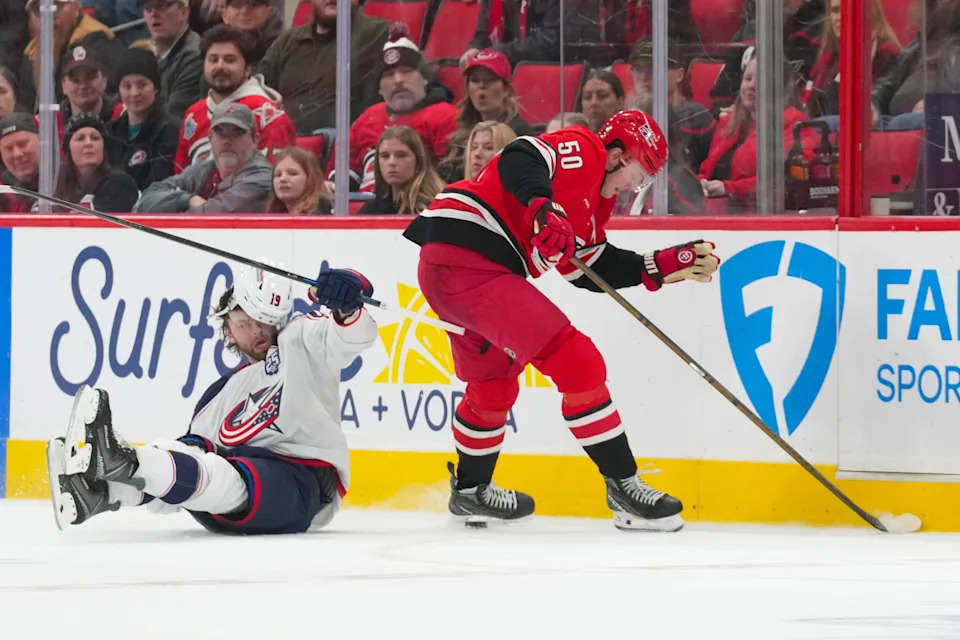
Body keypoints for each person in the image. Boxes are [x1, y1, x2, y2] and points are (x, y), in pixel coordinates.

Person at [402, 110, 720, 530]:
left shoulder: (595, 206)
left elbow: (589, 268)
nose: (633, 188)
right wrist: (542, 206)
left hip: (452, 265)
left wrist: (656, 265)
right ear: (618, 154)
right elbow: (520, 156)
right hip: (471, 258)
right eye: (638, 174)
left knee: (493, 383)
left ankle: (470, 492)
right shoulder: (586, 150)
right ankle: (625, 487)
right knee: (577, 361)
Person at [46, 261, 379, 535]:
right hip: (227, 504)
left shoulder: (302, 341)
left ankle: (125, 461)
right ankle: (102, 492)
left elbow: (351, 337)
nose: (256, 332)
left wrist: (348, 304)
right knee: (194, 458)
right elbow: (190, 454)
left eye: (264, 322)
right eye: (244, 323)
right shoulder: (221, 395)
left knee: (229, 476)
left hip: (305, 486)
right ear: (227, 328)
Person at [341, 23, 457, 192]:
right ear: (379, 89)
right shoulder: (368, 118)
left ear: (425, 79)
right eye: (388, 75)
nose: (398, 80)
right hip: (365, 209)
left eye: (406, 71)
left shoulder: (445, 116)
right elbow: (346, 172)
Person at [698, 47, 814, 211]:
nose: (751, 86)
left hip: (760, 214)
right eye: (748, 78)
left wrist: (729, 188)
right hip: (715, 212)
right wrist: (700, 182)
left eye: (761, 80)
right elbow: (706, 169)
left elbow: (781, 182)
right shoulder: (728, 122)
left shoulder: (797, 124)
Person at [257, 0, 391, 135]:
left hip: (350, 146)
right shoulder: (286, 42)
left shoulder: (382, 35)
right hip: (286, 147)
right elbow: (257, 96)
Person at [175, 24, 295, 170]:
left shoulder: (268, 116)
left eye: (230, 60)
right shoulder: (194, 113)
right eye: (213, 60)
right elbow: (180, 174)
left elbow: (272, 179)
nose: (220, 66)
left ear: (247, 69)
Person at [137, 102, 273, 213]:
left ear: (255, 140)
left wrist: (172, 206)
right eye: (220, 133)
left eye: (237, 133)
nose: (227, 141)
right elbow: (146, 200)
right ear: (210, 138)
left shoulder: (262, 177)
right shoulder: (205, 169)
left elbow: (213, 216)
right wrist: (188, 200)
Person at [437, 49, 530, 183]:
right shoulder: (460, 136)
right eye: (475, 80)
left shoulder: (519, 135)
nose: (481, 86)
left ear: (506, 89)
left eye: (490, 79)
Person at [805, 0, 900, 120]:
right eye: (834, 11)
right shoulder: (827, 59)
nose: (838, 18)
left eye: (845, 10)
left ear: (867, 13)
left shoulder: (884, 54)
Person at [105, 47, 182, 189]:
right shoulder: (110, 131)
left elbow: (162, 184)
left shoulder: (171, 129)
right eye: (127, 86)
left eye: (142, 85)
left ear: (156, 87)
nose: (134, 93)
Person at [54, 113, 141, 213]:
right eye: (80, 138)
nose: (88, 143)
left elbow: (93, 226)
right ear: (68, 150)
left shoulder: (120, 183)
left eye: (95, 138)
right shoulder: (60, 183)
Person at [358, 126, 445, 215]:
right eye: (385, 156)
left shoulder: (433, 208)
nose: (391, 162)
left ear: (418, 161)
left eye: (401, 155)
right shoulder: (372, 209)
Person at [142, 0, 203, 120]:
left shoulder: (194, 55)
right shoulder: (147, 53)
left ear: (184, 12)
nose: (153, 13)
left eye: (162, 6)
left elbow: (172, 119)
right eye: (148, 8)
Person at [265, 146, 333, 214]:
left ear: (310, 178)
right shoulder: (273, 212)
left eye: (293, 174)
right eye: (278, 175)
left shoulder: (320, 211)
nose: (283, 179)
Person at [0, 113, 41, 212]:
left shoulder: (66, 181)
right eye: (9, 148)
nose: (17, 154)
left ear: (41, 142)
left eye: (23, 144)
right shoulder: (2, 192)